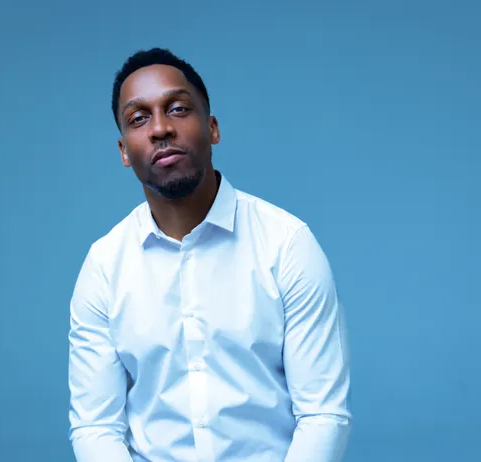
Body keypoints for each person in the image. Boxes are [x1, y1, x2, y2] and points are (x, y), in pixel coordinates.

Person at [67, 47, 352, 462]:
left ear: (212, 127)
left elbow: (323, 415)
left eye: (178, 109)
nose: (160, 128)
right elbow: (95, 426)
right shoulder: (104, 266)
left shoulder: (287, 245)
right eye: (139, 118)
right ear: (124, 151)